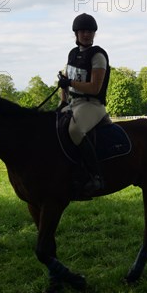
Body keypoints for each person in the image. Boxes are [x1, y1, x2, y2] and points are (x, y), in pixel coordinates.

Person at [57, 13, 111, 192]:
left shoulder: (98, 56)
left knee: (75, 130)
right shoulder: (72, 54)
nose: (86, 34)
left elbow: (95, 88)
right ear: (76, 33)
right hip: (74, 102)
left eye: (90, 31)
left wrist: (70, 83)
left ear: (94, 33)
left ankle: (96, 176)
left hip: (92, 104)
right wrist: (63, 101)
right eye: (83, 31)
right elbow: (66, 78)